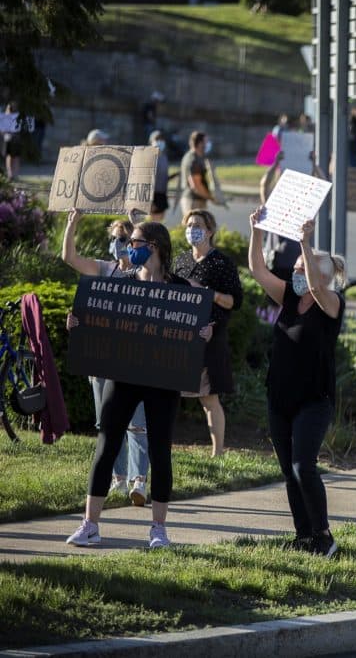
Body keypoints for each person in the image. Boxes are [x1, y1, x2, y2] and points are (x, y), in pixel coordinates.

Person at [66, 221, 213, 548]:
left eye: (136, 242)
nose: (129, 247)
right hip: (125, 375)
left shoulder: (182, 288)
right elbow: (99, 320)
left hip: (164, 380)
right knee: (106, 444)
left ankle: (158, 530)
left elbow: (201, 322)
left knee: (160, 451)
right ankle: (90, 524)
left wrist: (206, 332)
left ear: (156, 246)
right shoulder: (123, 283)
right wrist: (78, 323)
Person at [248, 208, 346, 557]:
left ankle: (324, 535)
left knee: (304, 465)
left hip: (313, 399)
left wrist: (305, 242)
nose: (296, 274)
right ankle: (304, 535)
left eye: (303, 269)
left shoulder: (330, 303)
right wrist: (256, 229)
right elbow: (258, 270)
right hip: (280, 397)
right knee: (288, 471)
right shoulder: (289, 297)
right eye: (297, 269)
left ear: (319, 275)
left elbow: (319, 289)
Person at [60, 209, 150, 506]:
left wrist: (139, 226)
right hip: (100, 357)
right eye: (114, 239)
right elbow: (70, 259)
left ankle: (140, 481)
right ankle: (118, 479)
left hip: (134, 359)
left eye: (123, 238)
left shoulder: (142, 273)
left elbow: (154, 271)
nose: (118, 244)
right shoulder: (103, 269)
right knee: (106, 423)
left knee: (136, 423)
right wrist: (72, 224)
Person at [173, 209, 243, 457]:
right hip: (181, 336)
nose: (192, 229)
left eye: (198, 225)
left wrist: (205, 292)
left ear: (210, 231)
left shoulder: (221, 263)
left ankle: (218, 453)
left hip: (210, 337)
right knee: (169, 394)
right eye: (189, 225)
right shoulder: (180, 261)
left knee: (208, 398)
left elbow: (235, 301)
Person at [180, 131, 214, 213]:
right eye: (206, 142)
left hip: (197, 200)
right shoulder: (193, 159)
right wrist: (211, 197)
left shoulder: (198, 157)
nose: (208, 144)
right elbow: (196, 185)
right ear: (199, 143)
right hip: (193, 201)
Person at [149, 131, 170, 224]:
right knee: (153, 222)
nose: (159, 141)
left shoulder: (165, 157)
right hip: (152, 194)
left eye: (161, 139)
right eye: (157, 139)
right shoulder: (149, 156)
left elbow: (164, 176)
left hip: (162, 193)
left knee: (160, 221)